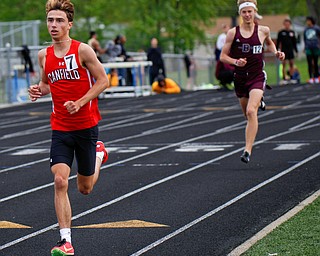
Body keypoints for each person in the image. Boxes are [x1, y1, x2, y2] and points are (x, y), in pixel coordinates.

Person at [27, 0, 110, 255]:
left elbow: (103, 80)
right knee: (60, 180)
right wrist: (38, 90)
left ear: (69, 24)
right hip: (60, 128)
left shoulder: (83, 50)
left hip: (85, 126)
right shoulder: (44, 55)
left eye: (59, 20)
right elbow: (47, 83)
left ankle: (98, 155)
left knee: (85, 188)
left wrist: (82, 101)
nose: (54, 25)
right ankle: (66, 241)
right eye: (51, 20)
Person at [220, 0, 285, 163]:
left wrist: (277, 53)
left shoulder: (263, 30)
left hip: (256, 76)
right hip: (240, 78)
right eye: (244, 12)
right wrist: (236, 62)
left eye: (250, 11)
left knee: (251, 111)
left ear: (254, 12)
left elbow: (270, 44)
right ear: (240, 13)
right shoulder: (233, 33)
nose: (248, 15)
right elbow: (223, 56)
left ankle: (247, 150)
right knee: (247, 116)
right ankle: (259, 101)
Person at [276, 18, 298, 83]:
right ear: (284, 24)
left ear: (290, 24)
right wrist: (277, 50)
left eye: (288, 24)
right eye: (285, 24)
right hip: (284, 50)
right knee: (284, 64)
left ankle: (292, 77)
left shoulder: (292, 32)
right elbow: (278, 42)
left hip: (290, 50)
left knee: (291, 64)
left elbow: (294, 43)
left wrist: (296, 51)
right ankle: (284, 78)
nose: (287, 25)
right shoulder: (281, 32)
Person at [303, 16, 320, 84]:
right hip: (308, 47)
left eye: (308, 21)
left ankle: (316, 77)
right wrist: (305, 47)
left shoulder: (316, 28)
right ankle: (311, 77)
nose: (307, 22)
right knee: (309, 63)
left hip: (315, 47)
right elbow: (305, 39)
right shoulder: (306, 29)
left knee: (315, 63)